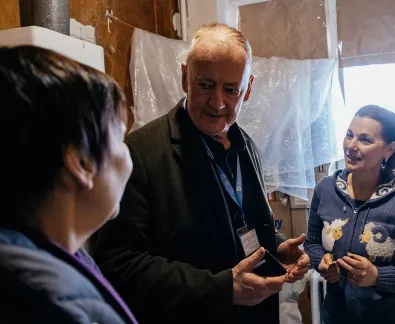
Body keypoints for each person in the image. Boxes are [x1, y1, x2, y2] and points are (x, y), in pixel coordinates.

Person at [89, 23, 310, 323]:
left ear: (248, 90)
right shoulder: (139, 152)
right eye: (206, 84)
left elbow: (242, 221)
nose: (218, 103)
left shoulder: (248, 146)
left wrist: (276, 244)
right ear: (184, 77)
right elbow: (118, 264)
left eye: (231, 90)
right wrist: (222, 289)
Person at [0, 46, 136, 323]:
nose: (128, 154)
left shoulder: (39, 261)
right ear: (82, 162)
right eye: (120, 138)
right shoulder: (45, 305)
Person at [304, 105, 395, 324]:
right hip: (335, 317)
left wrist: (377, 277)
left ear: (389, 149)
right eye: (349, 135)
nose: (351, 146)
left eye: (365, 140)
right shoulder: (326, 189)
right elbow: (311, 243)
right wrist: (320, 261)